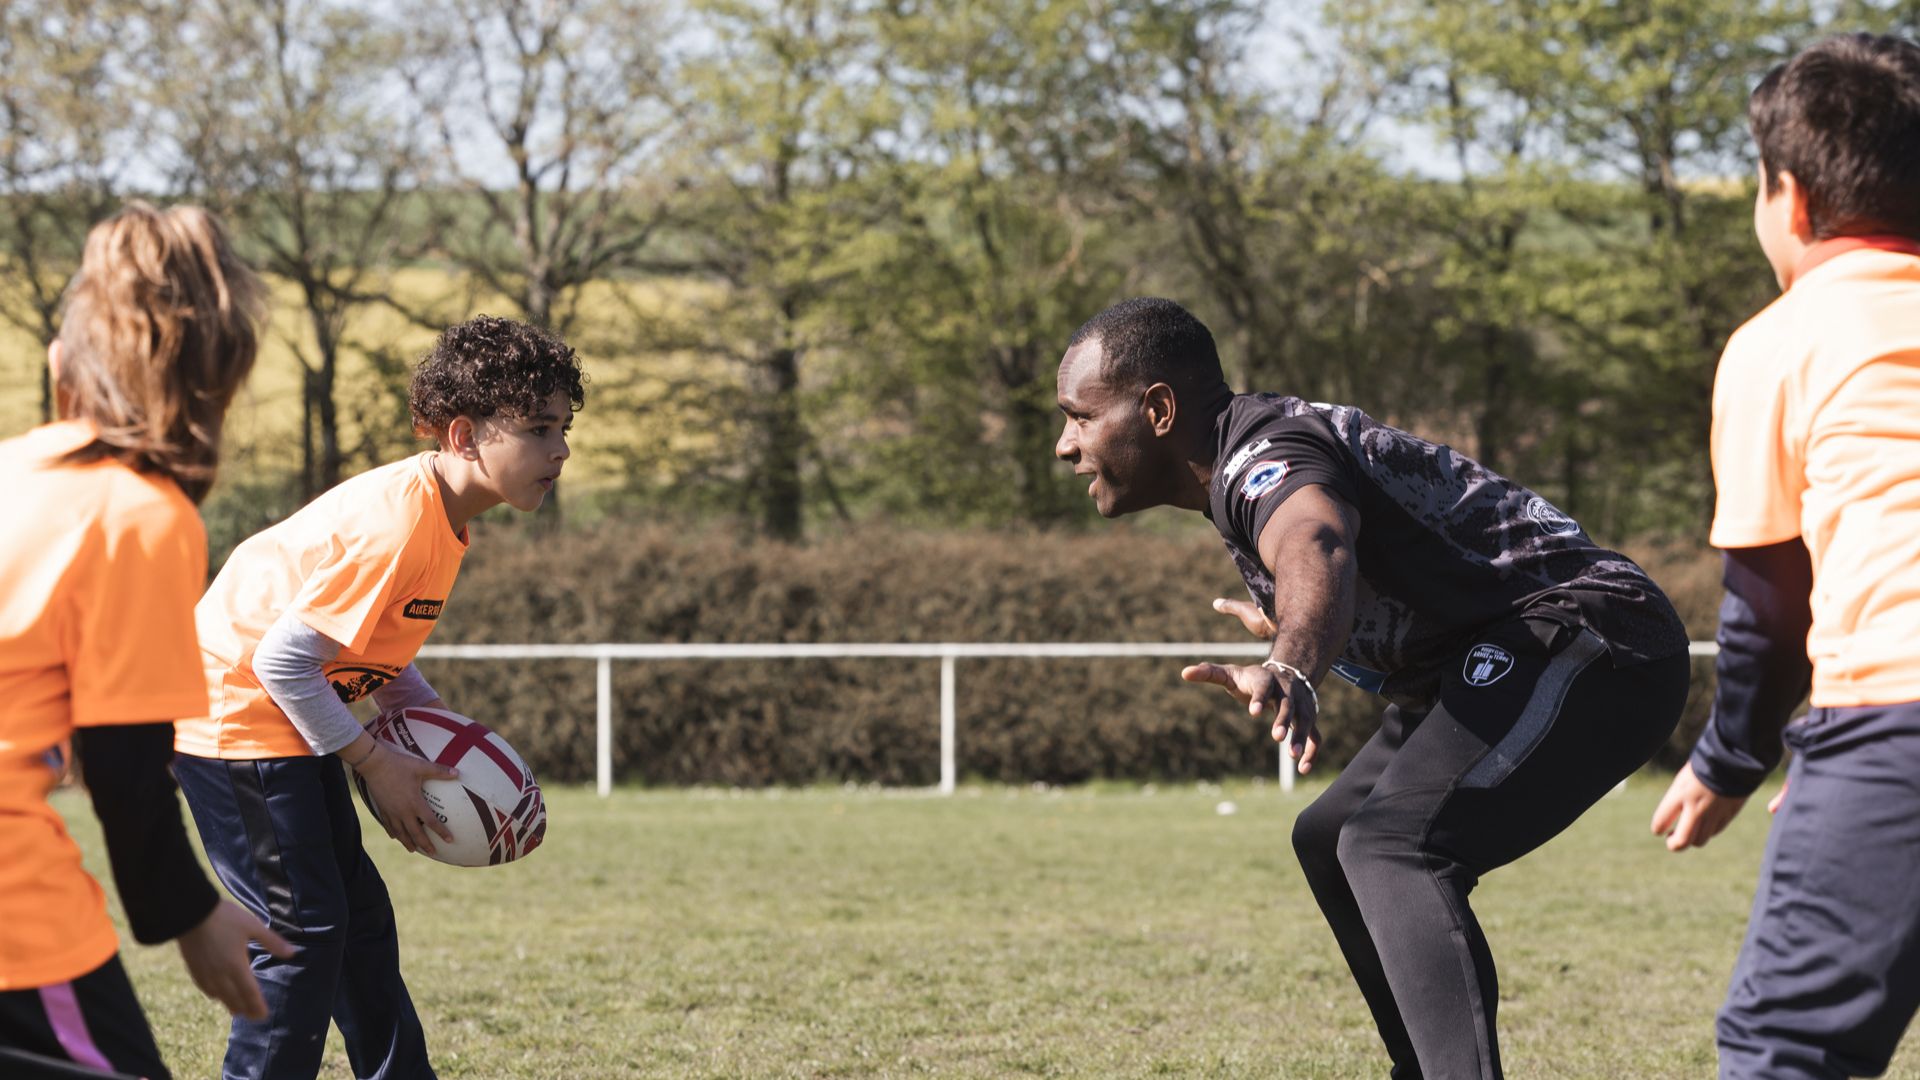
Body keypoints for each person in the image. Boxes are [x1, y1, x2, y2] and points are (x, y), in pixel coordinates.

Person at [1054, 296, 1690, 1078]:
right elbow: (1331, 567)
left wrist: (1292, 662)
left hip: (1595, 636)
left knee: (1392, 844)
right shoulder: (1245, 467)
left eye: (1079, 417)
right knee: (1329, 838)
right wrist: (1299, 622)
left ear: (1156, 409)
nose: (1065, 445)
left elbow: (1315, 541)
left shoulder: (1262, 459)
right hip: (1504, 650)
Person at [169, 314, 584, 1079]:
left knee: (357, 923)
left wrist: (416, 724)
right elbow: (285, 661)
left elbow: (373, 651)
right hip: (237, 717)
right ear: (463, 435)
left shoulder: (442, 518)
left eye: (564, 427)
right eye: (536, 428)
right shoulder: (399, 523)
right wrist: (375, 762)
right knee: (302, 935)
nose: (559, 450)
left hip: (283, 720)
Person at [1648, 32, 1920, 1080]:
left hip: (1895, 719)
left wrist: (1729, 759)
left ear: (1789, 200)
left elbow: (1767, 606)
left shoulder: (1782, 341)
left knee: (1787, 1048)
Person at [0, 201, 291, 1079]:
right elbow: (124, 766)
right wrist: (193, 918)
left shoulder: (13, 471)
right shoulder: (140, 517)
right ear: (218, 377)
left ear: (68, 362)